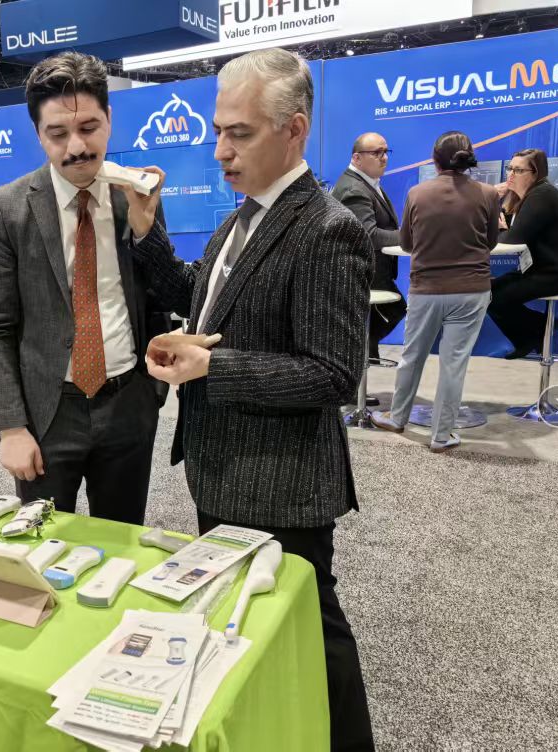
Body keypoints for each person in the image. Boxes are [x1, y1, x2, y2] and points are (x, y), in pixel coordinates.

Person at [128, 49, 374, 750]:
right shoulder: (243, 219)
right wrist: (147, 231)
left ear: (294, 130)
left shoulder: (327, 229)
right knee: (252, 627)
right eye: (218, 131)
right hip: (225, 469)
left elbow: (333, 375)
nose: (221, 150)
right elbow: (199, 295)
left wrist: (214, 366)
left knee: (311, 629)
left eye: (240, 133)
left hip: (282, 481)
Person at [0, 51, 171, 525]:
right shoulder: (7, 208)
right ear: (39, 134)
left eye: (89, 127)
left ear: (109, 121)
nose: (76, 147)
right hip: (47, 412)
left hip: (127, 404)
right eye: (58, 133)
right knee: (41, 542)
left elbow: (157, 296)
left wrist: (151, 394)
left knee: (122, 539)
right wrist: (10, 426)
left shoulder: (135, 196)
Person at [371, 132, 499, 452]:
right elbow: (490, 242)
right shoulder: (487, 194)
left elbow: (407, 244)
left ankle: (397, 418)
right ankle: (441, 436)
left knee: (412, 356)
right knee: (454, 364)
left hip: (426, 289)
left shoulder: (417, 193)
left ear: (434, 160)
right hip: (471, 290)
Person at [489, 148, 558, 358]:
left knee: (495, 297)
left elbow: (513, 239)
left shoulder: (541, 196)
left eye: (518, 170)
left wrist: (501, 230)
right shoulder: (524, 197)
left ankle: (536, 331)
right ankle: (534, 333)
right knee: (488, 292)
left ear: (535, 173)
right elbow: (508, 233)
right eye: (510, 168)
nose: (511, 174)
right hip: (541, 269)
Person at [331, 133, 407, 374]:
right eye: (376, 153)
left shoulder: (367, 183)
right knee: (390, 312)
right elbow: (369, 235)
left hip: (371, 273)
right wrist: (409, 236)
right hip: (361, 275)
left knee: (386, 315)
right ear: (357, 157)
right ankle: (358, 359)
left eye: (386, 152)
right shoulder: (355, 189)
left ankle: (363, 357)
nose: (384, 158)